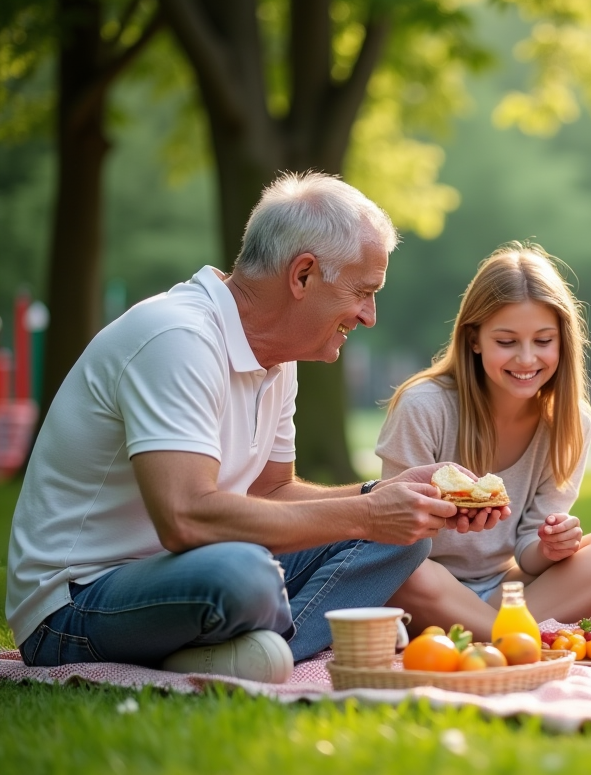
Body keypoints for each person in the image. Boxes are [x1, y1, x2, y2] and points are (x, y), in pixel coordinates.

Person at [6, 172, 491, 683]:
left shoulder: (278, 359)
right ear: (303, 275)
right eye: (362, 292)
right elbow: (186, 519)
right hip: (77, 605)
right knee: (244, 572)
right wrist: (368, 513)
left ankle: (254, 649)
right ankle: (282, 640)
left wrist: (384, 495)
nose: (369, 315)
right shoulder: (178, 337)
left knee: (403, 537)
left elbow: (272, 491)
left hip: (196, 573)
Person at [375, 242, 591, 637]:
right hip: (428, 584)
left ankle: (487, 633)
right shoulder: (424, 406)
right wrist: (449, 515)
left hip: (506, 589)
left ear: (563, 340)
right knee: (406, 574)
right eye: (506, 342)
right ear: (474, 339)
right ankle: (517, 637)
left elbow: (528, 554)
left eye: (542, 341)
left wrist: (550, 547)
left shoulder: (571, 422)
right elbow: (394, 538)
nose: (526, 359)